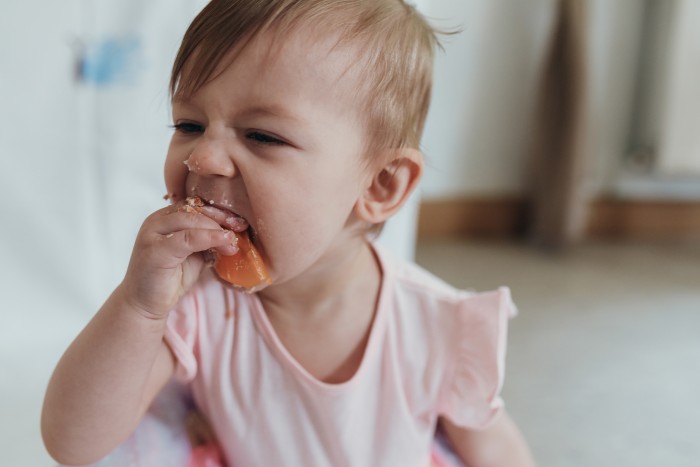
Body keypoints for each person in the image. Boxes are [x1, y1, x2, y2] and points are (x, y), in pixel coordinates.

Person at [41, 0, 535, 466]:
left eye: (262, 136)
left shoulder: (436, 325)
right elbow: (73, 442)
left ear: (381, 185)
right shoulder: (198, 307)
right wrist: (138, 306)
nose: (203, 158)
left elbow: (499, 455)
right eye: (189, 124)